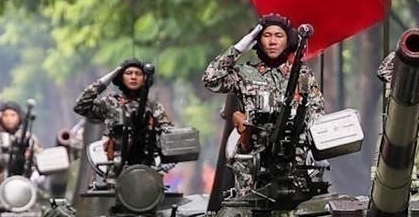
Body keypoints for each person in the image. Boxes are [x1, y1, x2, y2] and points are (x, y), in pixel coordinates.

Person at [202, 14, 325, 147]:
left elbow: (317, 114)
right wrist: (237, 50)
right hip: (254, 153)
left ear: (289, 41)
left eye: (279, 36)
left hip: (295, 154)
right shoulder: (245, 74)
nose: (272, 41)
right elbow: (210, 80)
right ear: (258, 41)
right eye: (267, 35)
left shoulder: (302, 76)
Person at [73, 59, 172, 143]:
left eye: (138, 74)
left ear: (144, 80)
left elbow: (168, 132)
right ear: (121, 78)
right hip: (115, 157)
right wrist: (112, 75)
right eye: (128, 73)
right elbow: (80, 106)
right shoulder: (110, 103)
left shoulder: (153, 107)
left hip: (148, 158)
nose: (133, 77)